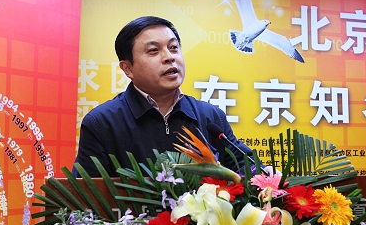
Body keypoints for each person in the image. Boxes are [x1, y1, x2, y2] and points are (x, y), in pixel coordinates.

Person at [73, 16, 254, 177]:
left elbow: (248, 169)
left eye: (173, 48)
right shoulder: (102, 123)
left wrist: (263, 177)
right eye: (153, 50)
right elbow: (86, 194)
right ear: (128, 69)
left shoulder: (210, 117)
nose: (169, 57)